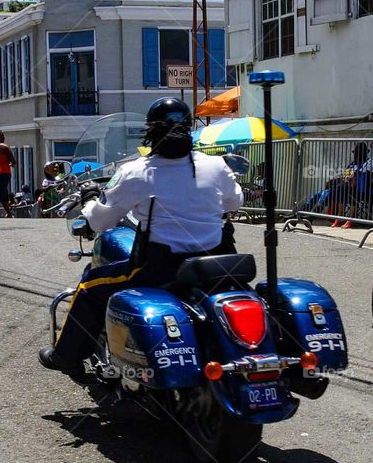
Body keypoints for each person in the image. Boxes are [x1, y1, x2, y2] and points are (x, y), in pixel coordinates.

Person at [39, 97, 245, 380]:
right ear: (189, 127)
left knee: (89, 288)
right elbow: (234, 202)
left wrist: (88, 206)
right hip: (218, 264)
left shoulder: (136, 171)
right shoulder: (216, 166)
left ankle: (66, 356)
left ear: (149, 131)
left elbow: (101, 220)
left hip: (162, 269)